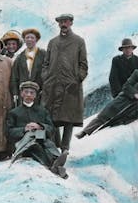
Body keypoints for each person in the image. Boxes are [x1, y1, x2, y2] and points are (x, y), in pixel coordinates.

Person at [77, 53, 138, 138]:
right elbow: (126, 85)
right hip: (127, 97)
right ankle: (85, 132)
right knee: (107, 112)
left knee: (125, 116)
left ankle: (108, 128)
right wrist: (135, 94)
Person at [42, 13, 88, 150]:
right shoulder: (52, 42)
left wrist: (78, 78)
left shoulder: (79, 41)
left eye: (66, 21)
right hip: (52, 84)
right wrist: (46, 77)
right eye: (61, 22)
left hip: (71, 85)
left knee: (69, 117)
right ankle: (53, 147)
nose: (63, 24)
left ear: (71, 23)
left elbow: (83, 64)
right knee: (51, 116)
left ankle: (65, 148)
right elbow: (46, 63)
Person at [6, 81, 68, 178]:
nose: (29, 95)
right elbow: (9, 132)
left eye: (32, 93)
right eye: (26, 92)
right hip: (23, 143)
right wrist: (24, 129)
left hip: (41, 140)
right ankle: (55, 164)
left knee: (44, 141)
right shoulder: (14, 113)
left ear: (35, 95)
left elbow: (52, 129)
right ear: (21, 94)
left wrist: (41, 126)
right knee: (33, 142)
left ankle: (56, 161)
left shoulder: (42, 111)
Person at [10, 28, 45, 106]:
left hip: (39, 92)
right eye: (27, 38)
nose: (29, 40)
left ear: (36, 40)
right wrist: (15, 93)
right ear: (24, 40)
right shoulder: (19, 57)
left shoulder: (43, 55)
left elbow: (48, 73)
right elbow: (14, 76)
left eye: (32, 38)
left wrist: (45, 89)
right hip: (23, 93)